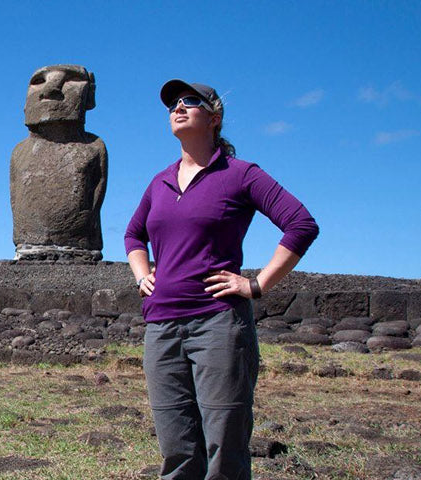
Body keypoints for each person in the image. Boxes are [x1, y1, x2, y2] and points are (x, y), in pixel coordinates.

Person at [123, 79, 319, 479]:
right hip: (161, 327)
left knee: (224, 447)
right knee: (176, 447)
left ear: (214, 118)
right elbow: (133, 234)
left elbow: (301, 224)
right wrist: (142, 274)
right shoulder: (160, 181)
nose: (178, 107)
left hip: (218, 324)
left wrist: (257, 284)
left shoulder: (240, 174)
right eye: (172, 103)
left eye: (189, 101)